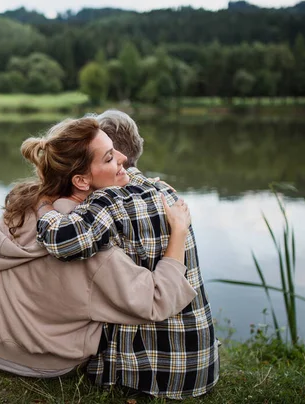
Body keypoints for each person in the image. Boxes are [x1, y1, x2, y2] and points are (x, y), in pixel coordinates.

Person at [0, 117, 197, 381]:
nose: (124, 158)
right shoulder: (88, 243)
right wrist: (179, 231)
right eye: (110, 157)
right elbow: (157, 300)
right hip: (43, 362)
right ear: (80, 180)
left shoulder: (27, 201)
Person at [35, 110, 219, 399]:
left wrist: (44, 204)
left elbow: (61, 241)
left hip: (150, 374)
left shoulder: (109, 202)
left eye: (111, 155)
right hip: (199, 365)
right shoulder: (166, 192)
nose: (115, 160)